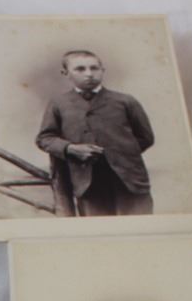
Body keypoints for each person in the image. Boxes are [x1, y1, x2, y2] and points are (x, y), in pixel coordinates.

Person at [35, 50, 156, 218]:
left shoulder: (126, 101)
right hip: (87, 182)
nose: (89, 74)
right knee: (98, 227)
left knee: (139, 225)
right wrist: (70, 149)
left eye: (94, 68)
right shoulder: (58, 104)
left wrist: (121, 154)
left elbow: (145, 137)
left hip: (129, 181)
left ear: (102, 70)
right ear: (65, 73)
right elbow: (44, 138)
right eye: (80, 69)